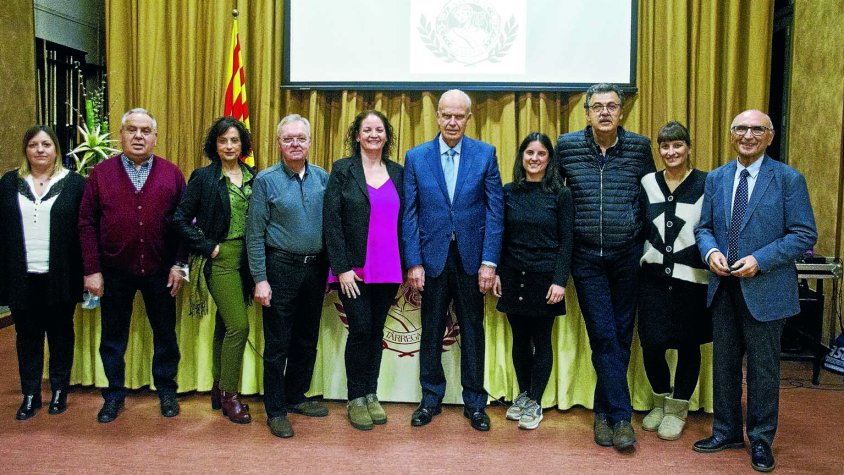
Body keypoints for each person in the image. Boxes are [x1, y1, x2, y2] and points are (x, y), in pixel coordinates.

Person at [694, 110, 817, 472]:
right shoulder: (716, 178)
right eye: (740, 129)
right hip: (723, 287)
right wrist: (711, 251)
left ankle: (761, 440)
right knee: (725, 366)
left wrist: (760, 260)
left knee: (763, 370)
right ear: (731, 134)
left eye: (756, 129)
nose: (747, 135)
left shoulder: (788, 179)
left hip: (765, 289)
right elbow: (704, 228)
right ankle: (726, 430)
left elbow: (804, 234)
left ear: (770, 135)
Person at [556, 83, 655, 450]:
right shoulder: (566, 146)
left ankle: (603, 412)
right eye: (597, 106)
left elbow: (648, 199)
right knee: (603, 334)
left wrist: (647, 248)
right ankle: (621, 418)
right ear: (586, 113)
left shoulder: (640, 147)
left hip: (627, 256)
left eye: (612, 106)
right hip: (586, 259)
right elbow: (556, 199)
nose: (605, 112)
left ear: (621, 111)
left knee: (620, 335)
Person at [403, 89, 504, 432]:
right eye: (446, 115)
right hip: (431, 261)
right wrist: (413, 262)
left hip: (472, 261)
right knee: (430, 330)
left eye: (459, 116)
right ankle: (430, 398)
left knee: (473, 331)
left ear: (468, 118)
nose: (452, 121)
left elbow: (495, 212)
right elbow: (410, 214)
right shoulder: (416, 157)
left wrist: (489, 262)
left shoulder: (485, 154)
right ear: (437, 116)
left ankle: (475, 402)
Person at [79, 108, 187, 423]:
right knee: (113, 337)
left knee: (165, 335)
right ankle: (113, 396)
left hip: (161, 270)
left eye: (145, 131)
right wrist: (92, 269)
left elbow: (184, 223)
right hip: (114, 272)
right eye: (131, 130)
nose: (138, 136)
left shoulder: (171, 173)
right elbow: (86, 224)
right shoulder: (101, 173)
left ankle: (167, 391)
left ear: (155, 137)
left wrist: (180, 264)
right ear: (121, 134)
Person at [246, 114, 330, 438]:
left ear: (310, 142)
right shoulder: (266, 181)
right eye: (288, 139)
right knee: (278, 344)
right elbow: (254, 235)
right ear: (279, 143)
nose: (295, 144)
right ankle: (276, 410)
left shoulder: (323, 178)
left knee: (306, 341)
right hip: (279, 269)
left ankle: (296, 396)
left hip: (315, 269)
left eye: (301, 138)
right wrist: (260, 279)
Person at [323, 110, 404, 431]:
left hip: (388, 268)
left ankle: (371, 393)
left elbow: (406, 221)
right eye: (367, 129)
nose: (373, 134)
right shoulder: (342, 171)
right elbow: (332, 222)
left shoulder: (398, 172)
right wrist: (341, 268)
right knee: (360, 330)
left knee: (375, 332)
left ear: (386, 136)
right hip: (353, 270)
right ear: (357, 135)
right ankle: (355, 397)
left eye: (379, 130)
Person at [0, 126, 85, 419]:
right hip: (21, 276)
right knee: (27, 336)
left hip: (61, 275)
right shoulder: (9, 183)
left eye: (46, 144)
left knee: (61, 333)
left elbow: (83, 231)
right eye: (34, 144)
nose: (40, 150)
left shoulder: (75, 183)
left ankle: (60, 390)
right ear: (26, 149)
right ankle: (30, 394)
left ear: (56, 150)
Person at [174, 117, 255, 424]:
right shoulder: (204, 178)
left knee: (225, 324)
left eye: (234, 140)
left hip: (246, 260)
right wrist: (209, 246)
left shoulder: (252, 176)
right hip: (220, 259)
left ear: (243, 144)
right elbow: (179, 220)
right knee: (239, 326)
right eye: (223, 141)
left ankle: (218, 388)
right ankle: (231, 397)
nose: (229, 146)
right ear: (214, 145)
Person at [492, 132, 573, 430]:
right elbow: (500, 236)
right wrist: (498, 270)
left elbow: (567, 242)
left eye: (541, 154)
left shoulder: (560, 194)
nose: (535, 159)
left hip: (546, 280)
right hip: (513, 275)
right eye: (529, 153)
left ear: (549, 159)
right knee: (520, 340)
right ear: (521, 156)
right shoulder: (508, 191)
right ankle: (524, 396)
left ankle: (536, 403)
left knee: (542, 340)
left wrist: (560, 281)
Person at [637, 121, 710, 440]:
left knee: (688, 345)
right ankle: (660, 400)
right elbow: (640, 225)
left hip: (692, 279)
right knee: (651, 344)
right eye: (665, 146)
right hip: (652, 278)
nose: (671, 152)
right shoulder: (648, 182)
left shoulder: (708, 183)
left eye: (677, 145)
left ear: (689, 148)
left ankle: (678, 408)